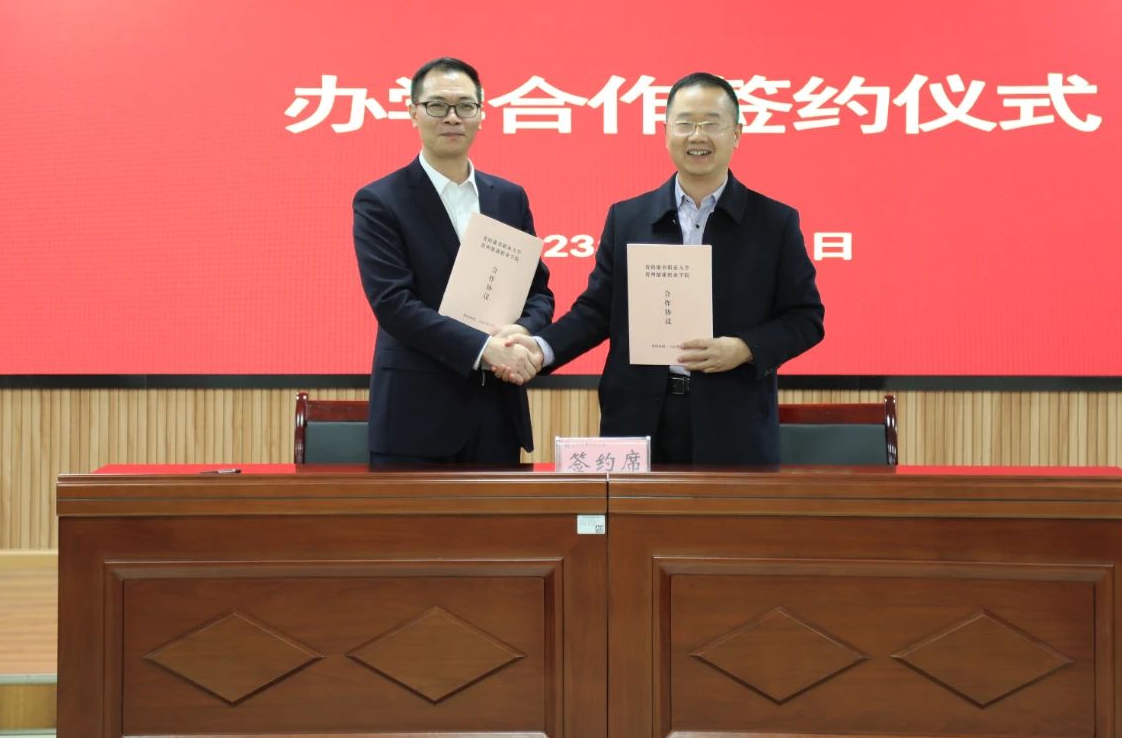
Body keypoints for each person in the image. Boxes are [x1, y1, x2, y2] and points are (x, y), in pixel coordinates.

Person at [499, 72, 823, 464]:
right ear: (666, 132)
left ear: (736, 133)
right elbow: (596, 312)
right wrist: (541, 348)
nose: (697, 136)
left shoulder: (774, 223)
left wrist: (744, 349)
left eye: (711, 124)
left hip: (733, 424)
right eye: (685, 123)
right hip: (637, 418)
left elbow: (805, 318)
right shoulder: (628, 219)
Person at [353, 57, 551, 466]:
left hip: (497, 413)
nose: (452, 117)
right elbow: (393, 304)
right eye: (437, 106)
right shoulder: (381, 200)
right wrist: (485, 349)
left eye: (465, 106)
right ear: (413, 112)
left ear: (481, 114)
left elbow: (538, 293)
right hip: (416, 418)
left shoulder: (509, 197)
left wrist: (521, 332)